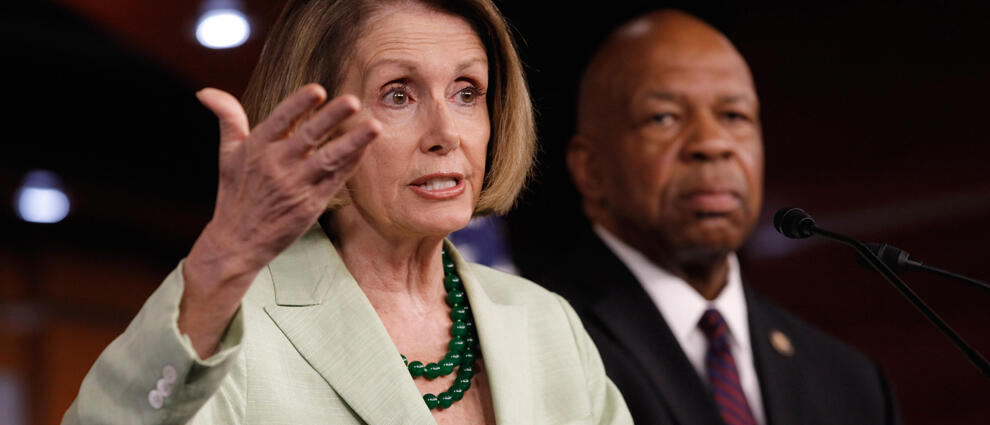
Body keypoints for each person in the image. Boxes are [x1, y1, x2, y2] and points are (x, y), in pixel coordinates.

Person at [62, 1, 632, 423]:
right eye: (398, 94)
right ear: (313, 122)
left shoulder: (544, 322)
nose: (445, 134)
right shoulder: (231, 323)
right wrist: (215, 272)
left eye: (466, 92)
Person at [534, 9, 902, 425]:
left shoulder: (850, 383)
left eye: (734, 116)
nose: (712, 143)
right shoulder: (537, 349)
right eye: (664, 117)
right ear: (591, 169)